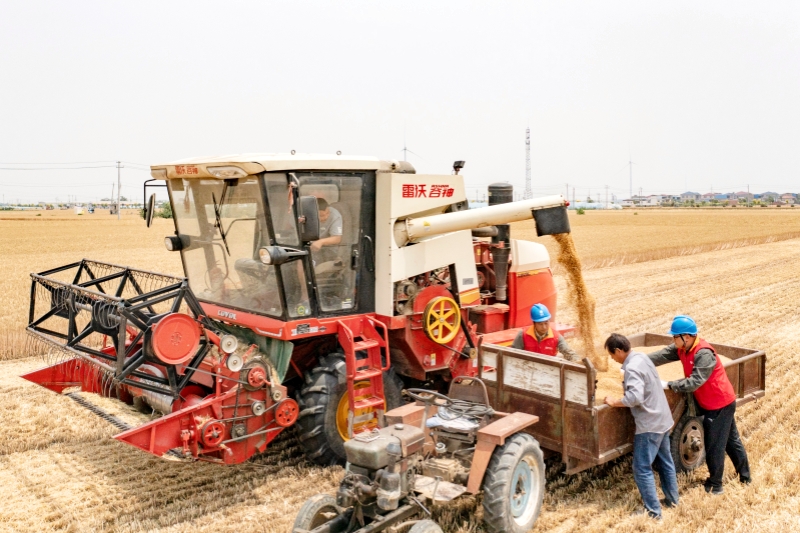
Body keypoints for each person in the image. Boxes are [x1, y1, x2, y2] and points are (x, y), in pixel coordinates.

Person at [648, 315, 751, 495]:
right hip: (713, 402)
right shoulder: (682, 348)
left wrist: (670, 384)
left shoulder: (703, 354)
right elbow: (662, 355)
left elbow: (695, 381)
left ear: (685, 337)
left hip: (720, 404)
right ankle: (745, 476)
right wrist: (640, 361)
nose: (672, 340)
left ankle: (716, 484)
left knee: (714, 445)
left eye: (674, 336)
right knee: (730, 440)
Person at [604, 333, 679, 520]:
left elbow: (635, 397)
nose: (613, 360)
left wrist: (614, 402)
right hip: (663, 417)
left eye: (612, 355)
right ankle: (673, 500)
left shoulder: (632, 368)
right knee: (665, 462)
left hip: (649, 424)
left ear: (619, 351)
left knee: (642, 468)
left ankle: (654, 512)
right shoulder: (642, 357)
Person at [511, 303, 579, 361]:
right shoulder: (523, 335)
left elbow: (568, 353)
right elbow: (513, 356)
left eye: (546, 323)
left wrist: (577, 362)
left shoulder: (556, 337)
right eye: (540, 324)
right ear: (534, 323)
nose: (544, 327)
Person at [309, 198, 343, 263]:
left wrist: (321, 242)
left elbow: (337, 238)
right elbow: (290, 227)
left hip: (327, 249)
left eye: (327, 213)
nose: (326, 217)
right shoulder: (304, 215)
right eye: (321, 215)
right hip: (308, 247)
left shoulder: (335, 216)